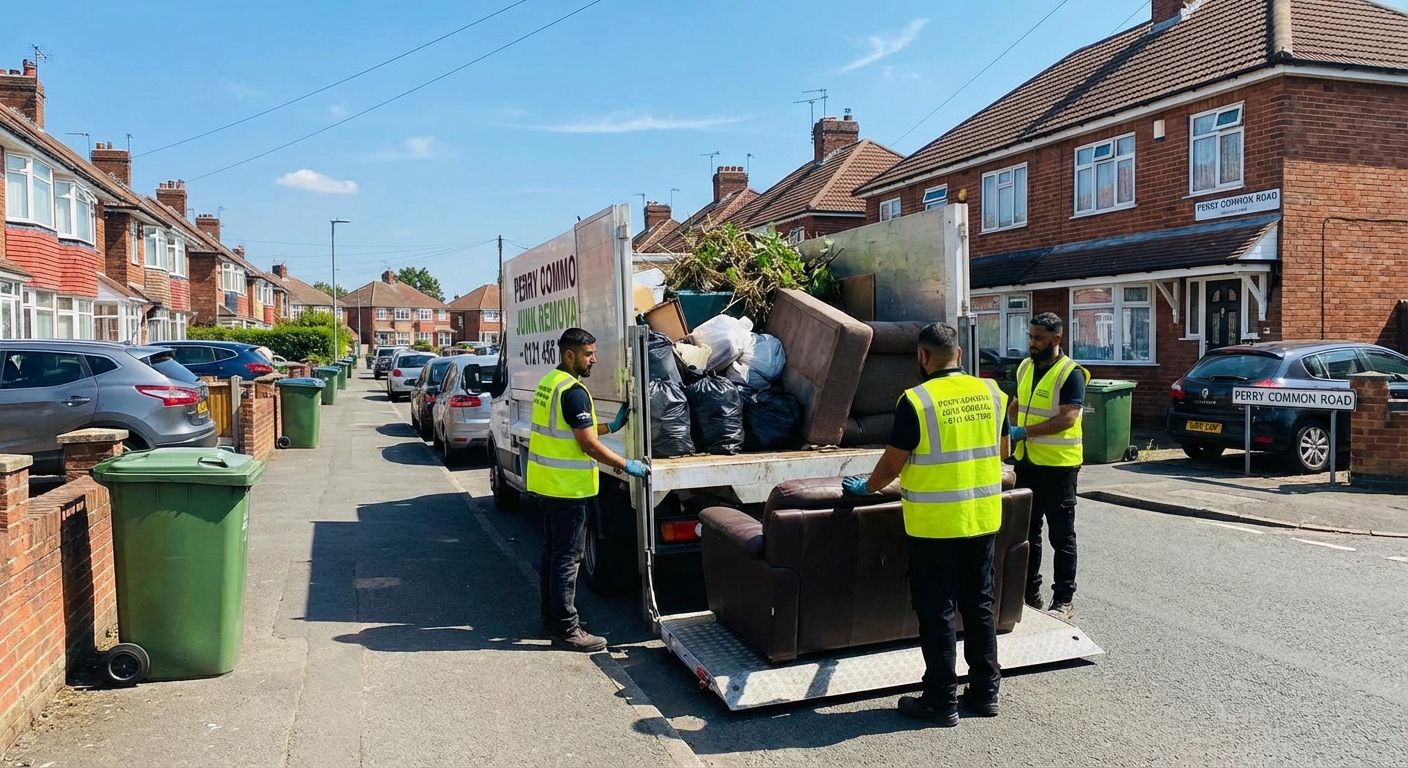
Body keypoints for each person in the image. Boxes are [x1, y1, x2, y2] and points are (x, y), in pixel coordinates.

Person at [843, 322, 1009, 727]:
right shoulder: (993, 393)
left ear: (922, 357)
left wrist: (866, 487)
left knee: (937, 612)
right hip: (983, 519)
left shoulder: (916, 401)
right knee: (980, 606)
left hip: (934, 526)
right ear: (960, 355)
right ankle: (985, 693)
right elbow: (1004, 450)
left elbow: (891, 464)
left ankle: (940, 700)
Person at [528, 327, 650, 652]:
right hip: (568, 490)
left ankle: (550, 622)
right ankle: (569, 630)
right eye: (588, 354)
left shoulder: (549, 383)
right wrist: (626, 465)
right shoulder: (574, 391)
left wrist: (612, 426)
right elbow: (587, 444)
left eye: (593, 353)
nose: (593, 359)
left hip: (548, 486)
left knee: (552, 556)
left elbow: (574, 430)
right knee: (568, 559)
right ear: (570, 355)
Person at [1008, 312, 1087, 620]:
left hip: (1059, 467)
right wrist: (1006, 424)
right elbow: (1018, 404)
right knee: (1028, 532)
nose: (1032, 343)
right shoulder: (1025, 367)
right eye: (1030, 337)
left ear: (1056, 339)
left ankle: (1064, 600)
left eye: (1039, 338)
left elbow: (1068, 417)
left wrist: (1025, 431)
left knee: (1062, 536)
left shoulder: (1071, 373)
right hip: (1026, 462)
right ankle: (1030, 593)